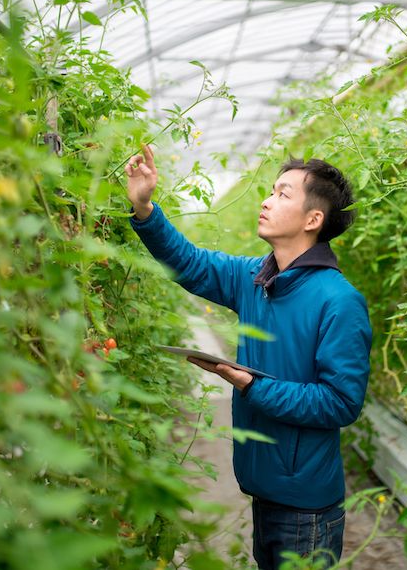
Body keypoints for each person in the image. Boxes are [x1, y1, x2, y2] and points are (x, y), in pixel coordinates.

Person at [124, 144, 373, 569]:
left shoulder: (339, 301)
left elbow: (341, 402)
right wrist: (145, 208)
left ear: (314, 220)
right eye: (271, 191)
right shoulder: (257, 279)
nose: (266, 200)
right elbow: (191, 263)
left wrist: (253, 386)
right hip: (263, 488)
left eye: (282, 194)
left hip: (307, 506)